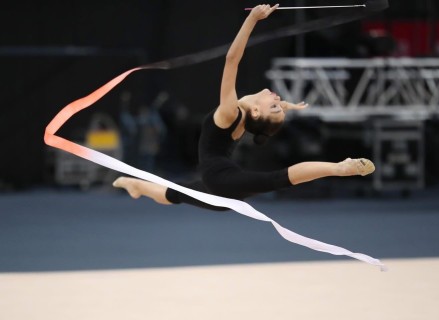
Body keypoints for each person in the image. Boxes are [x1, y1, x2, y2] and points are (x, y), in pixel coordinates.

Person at [113, 4, 376, 211]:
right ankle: (138, 186)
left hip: (223, 180)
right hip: (217, 187)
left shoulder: (230, 113)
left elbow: (231, 59)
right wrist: (286, 106)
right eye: (279, 105)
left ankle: (340, 168)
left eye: (275, 107)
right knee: (176, 193)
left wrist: (252, 20)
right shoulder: (249, 116)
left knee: (275, 180)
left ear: (258, 113)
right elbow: (270, 109)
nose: (278, 100)